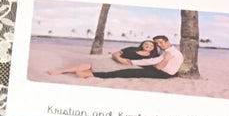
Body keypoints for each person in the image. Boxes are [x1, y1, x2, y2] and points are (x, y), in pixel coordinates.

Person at [48, 35, 183, 81]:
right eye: (147, 43)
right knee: (91, 63)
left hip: (128, 65)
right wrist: (120, 59)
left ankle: (85, 75)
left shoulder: (162, 54)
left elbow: (154, 63)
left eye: (157, 43)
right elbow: (116, 53)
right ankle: (61, 71)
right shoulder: (132, 49)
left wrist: (129, 61)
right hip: (116, 61)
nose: (154, 45)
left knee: (118, 73)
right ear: (142, 44)